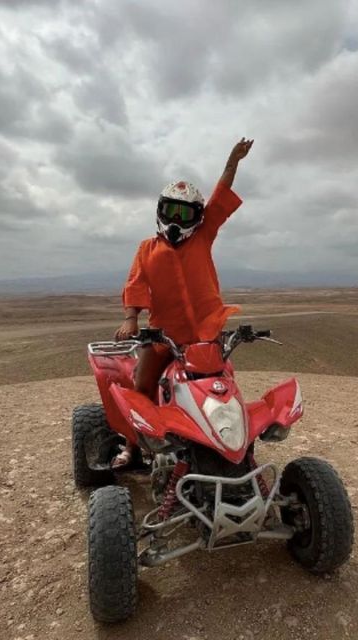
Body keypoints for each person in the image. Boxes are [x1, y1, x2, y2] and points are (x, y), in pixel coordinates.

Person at [112, 137, 254, 468]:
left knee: (224, 385)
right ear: (161, 212)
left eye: (184, 213)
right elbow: (135, 283)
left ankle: (237, 448)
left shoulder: (204, 236)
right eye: (170, 211)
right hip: (163, 334)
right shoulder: (147, 249)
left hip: (206, 333)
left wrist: (232, 163)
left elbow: (220, 198)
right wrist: (132, 319)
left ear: (197, 217)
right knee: (142, 385)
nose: (176, 220)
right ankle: (133, 445)